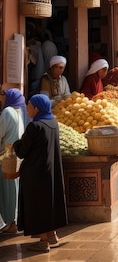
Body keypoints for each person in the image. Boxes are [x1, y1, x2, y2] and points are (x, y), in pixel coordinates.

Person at [13, 94, 67, 253]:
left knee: (38, 206)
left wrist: (16, 144)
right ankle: (52, 236)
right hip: (50, 172)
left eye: (29, 105)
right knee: (48, 204)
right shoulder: (53, 123)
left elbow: (22, 151)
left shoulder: (34, 126)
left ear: (37, 108)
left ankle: (43, 242)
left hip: (35, 174)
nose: (27, 108)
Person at [0, 89, 26, 234]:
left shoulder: (7, 112)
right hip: (15, 157)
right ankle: (14, 222)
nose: (1, 98)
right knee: (14, 190)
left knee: (6, 191)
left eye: (3, 95)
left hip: (5, 158)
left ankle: (10, 223)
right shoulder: (19, 113)